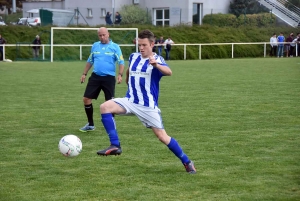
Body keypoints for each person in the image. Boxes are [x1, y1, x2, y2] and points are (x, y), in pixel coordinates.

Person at [96, 29, 196, 174]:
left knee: (162, 136)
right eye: (139, 45)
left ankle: (187, 162)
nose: (141, 48)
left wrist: (156, 65)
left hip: (147, 106)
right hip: (130, 100)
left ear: (152, 44)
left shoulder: (157, 59)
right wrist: (127, 78)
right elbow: (130, 69)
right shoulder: (134, 56)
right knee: (105, 107)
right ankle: (115, 145)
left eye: (144, 45)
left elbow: (169, 72)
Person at [79, 27, 125, 132]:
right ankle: (90, 125)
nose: (102, 37)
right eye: (100, 35)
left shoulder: (115, 47)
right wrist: (84, 74)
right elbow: (90, 60)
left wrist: (120, 74)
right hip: (95, 77)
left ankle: (111, 126)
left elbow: (121, 62)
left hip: (109, 78)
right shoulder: (95, 46)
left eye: (104, 35)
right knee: (86, 99)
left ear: (108, 34)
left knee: (109, 103)